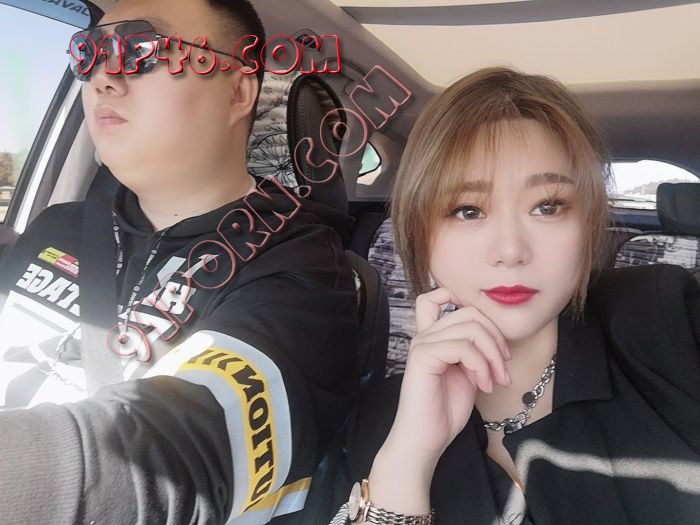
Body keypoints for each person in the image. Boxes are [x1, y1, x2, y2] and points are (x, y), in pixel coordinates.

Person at [0, 0, 360, 523]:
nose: (103, 77)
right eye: (89, 51)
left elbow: (179, 460)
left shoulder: (304, 270)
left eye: (141, 48)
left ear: (237, 92)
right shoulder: (57, 226)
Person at [331, 67, 700, 524]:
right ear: (419, 234)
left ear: (588, 225)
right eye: (468, 210)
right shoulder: (385, 415)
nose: (510, 250)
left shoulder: (669, 322)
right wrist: (408, 458)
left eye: (548, 206)